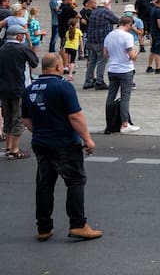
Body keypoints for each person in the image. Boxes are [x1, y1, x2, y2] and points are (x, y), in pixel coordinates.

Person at [21, 53, 101, 241]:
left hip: (41, 142)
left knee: (44, 184)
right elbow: (75, 116)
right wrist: (87, 139)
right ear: (59, 67)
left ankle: (44, 227)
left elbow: (25, 119)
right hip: (64, 142)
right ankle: (78, 224)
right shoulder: (64, 87)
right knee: (75, 180)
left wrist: (40, 131)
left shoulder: (29, 89)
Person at [2, 18, 41, 157]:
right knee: (18, 117)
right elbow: (35, 62)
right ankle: (15, 149)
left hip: (3, 88)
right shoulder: (22, 48)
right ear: (19, 36)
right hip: (18, 86)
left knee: (7, 116)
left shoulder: (2, 49)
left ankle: (7, 146)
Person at [103, 15, 140, 134]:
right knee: (125, 96)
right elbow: (132, 56)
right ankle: (124, 123)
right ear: (128, 24)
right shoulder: (127, 36)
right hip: (125, 69)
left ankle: (109, 123)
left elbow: (105, 53)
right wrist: (136, 53)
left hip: (112, 68)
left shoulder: (109, 35)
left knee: (111, 96)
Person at [82, 0, 118, 90]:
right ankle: (99, 81)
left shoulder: (95, 11)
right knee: (102, 61)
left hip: (91, 40)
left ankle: (88, 81)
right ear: (105, 3)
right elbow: (116, 20)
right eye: (109, 2)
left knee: (92, 61)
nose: (110, 4)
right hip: (101, 40)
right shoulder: (105, 11)